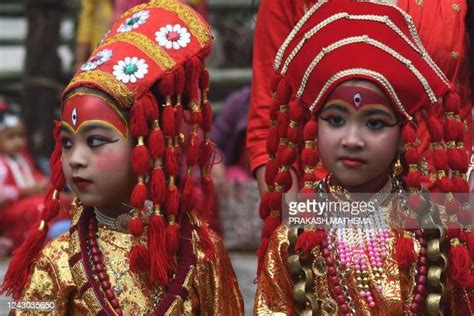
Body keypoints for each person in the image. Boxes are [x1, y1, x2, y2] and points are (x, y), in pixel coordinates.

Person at [1, 2, 243, 314]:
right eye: (67, 143)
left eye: (96, 141)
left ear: (148, 145)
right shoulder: (56, 262)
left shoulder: (200, 253)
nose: (75, 159)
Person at [254, 1, 472, 314]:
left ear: (402, 137)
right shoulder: (292, 239)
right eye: (336, 120)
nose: (352, 140)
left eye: (375, 123)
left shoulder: (433, 234)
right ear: (314, 128)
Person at [247, 0, 472, 195]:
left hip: (444, 206)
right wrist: (293, 228)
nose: (353, 140)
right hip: (320, 210)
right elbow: (270, 118)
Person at [0, 102, 49, 250]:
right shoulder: (2, 165)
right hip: (10, 209)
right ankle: (29, 243)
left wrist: (44, 183)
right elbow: (3, 194)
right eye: (11, 137)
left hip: (28, 201)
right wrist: (26, 191)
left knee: (55, 201)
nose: (18, 141)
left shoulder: (24, 159)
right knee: (38, 207)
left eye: (21, 136)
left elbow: (36, 176)